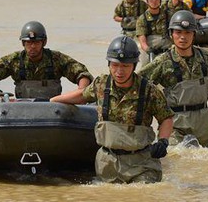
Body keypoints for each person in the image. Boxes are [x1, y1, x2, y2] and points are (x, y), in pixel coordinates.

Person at [50, 36, 174, 184]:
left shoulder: (149, 90)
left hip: (141, 164)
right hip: (108, 163)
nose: (119, 71)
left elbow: (166, 118)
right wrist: (53, 101)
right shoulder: (101, 84)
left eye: (125, 66)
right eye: (115, 65)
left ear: (134, 66)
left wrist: (163, 141)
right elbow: (82, 96)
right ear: (109, 64)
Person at [138, 10, 208, 148]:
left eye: (187, 33)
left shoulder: (204, 58)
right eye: (178, 32)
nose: (183, 37)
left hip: (203, 123)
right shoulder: (163, 61)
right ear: (171, 34)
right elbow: (138, 85)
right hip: (175, 122)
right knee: (176, 159)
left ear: (194, 34)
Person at [0, 21, 93, 101]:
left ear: (43, 42)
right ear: (23, 43)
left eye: (36, 42)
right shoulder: (14, 61)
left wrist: (81, 92)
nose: (32, 46)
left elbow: (81, 73)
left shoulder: (56, 59)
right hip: (23, 110)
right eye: (29, 43)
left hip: (53, 110)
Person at [136, 0, 172, 65]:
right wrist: (149, 50)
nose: (154, 1)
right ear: (147, 1)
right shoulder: (142, 19)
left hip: (167, 51)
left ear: (160, 0)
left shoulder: (168, 15)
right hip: (150, 51)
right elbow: (142, 42)